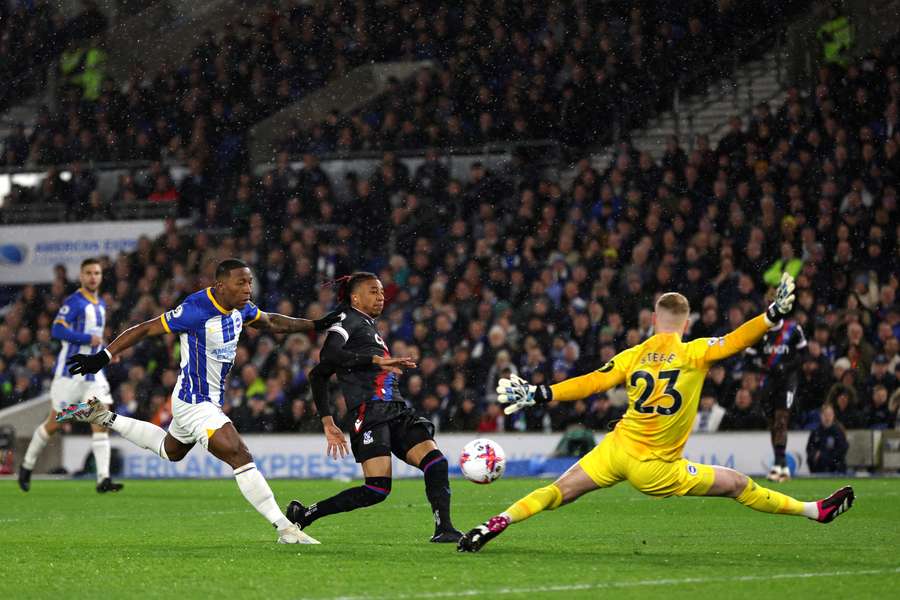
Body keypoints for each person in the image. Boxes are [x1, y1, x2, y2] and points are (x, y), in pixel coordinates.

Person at [457, 274, 854, 553]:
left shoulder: (634, 355)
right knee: (738, 485)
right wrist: (769, 317)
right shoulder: (695, 351)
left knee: (556, 492)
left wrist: (541, 392)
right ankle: (813, 511)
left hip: (616, 449)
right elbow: (736, 340)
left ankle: (497, 521)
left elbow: (592, 382)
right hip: (656, 468)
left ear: (652, 320)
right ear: (687, 323)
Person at [56, 259, 339, 544]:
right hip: (194, 400)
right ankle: (286, 528)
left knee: (171, 451)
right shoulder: (196, 309)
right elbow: (145, 329)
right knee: (239, 454)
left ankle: (103, 417)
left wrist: (315, 324)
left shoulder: (241, 307)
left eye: (250, 282)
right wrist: (102, 357)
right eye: (240, 282)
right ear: (220, 285)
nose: (247, 288)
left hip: (201, 399)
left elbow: (271, 321)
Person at [285, 272, 463, 543]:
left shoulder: (368, 325)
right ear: (355, 297)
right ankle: (305, 515)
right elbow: (326, 362)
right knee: (377, 490)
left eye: (381, 291)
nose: (380, 296)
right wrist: (328, 421)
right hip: (369, 412)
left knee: (436, 462)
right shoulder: (345, 319)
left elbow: (320, 373)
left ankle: (445, 529)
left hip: (396, 409)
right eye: (373, 291)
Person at [19, 258, 124, 493]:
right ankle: (26, 465)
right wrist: (87, 340)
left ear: (101, 276)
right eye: (88, 273)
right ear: (81, 276)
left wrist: (107, 354)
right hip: (70, 374)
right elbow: (57, 329)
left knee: (102, 416)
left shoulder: (100, 304)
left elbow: (95, 338)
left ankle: (103, 479)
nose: (93, 277)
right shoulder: (75, 302)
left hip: (93, 375)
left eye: (97, 273)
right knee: (55, 423)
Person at [743, 315, 807, 482]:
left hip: (788, 381)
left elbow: (804, 355)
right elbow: (748, 358)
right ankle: (782, 465)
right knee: (772, 423)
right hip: (768, 382)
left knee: (781, 420)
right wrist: (762, 367)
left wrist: (785, 366)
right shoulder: (759, 330)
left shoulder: (793, 329)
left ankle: (778, 463)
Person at [807, 404, 849, 473]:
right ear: (821, 416)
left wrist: (824, 456)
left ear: (833, 415)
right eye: (825, 414)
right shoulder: (816, 432)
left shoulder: (838, 431)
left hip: (836, 469)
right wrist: (814, 455)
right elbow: (810, 448)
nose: (827, 417)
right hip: (819, 469)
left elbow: (841, 450)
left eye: (829, 414)